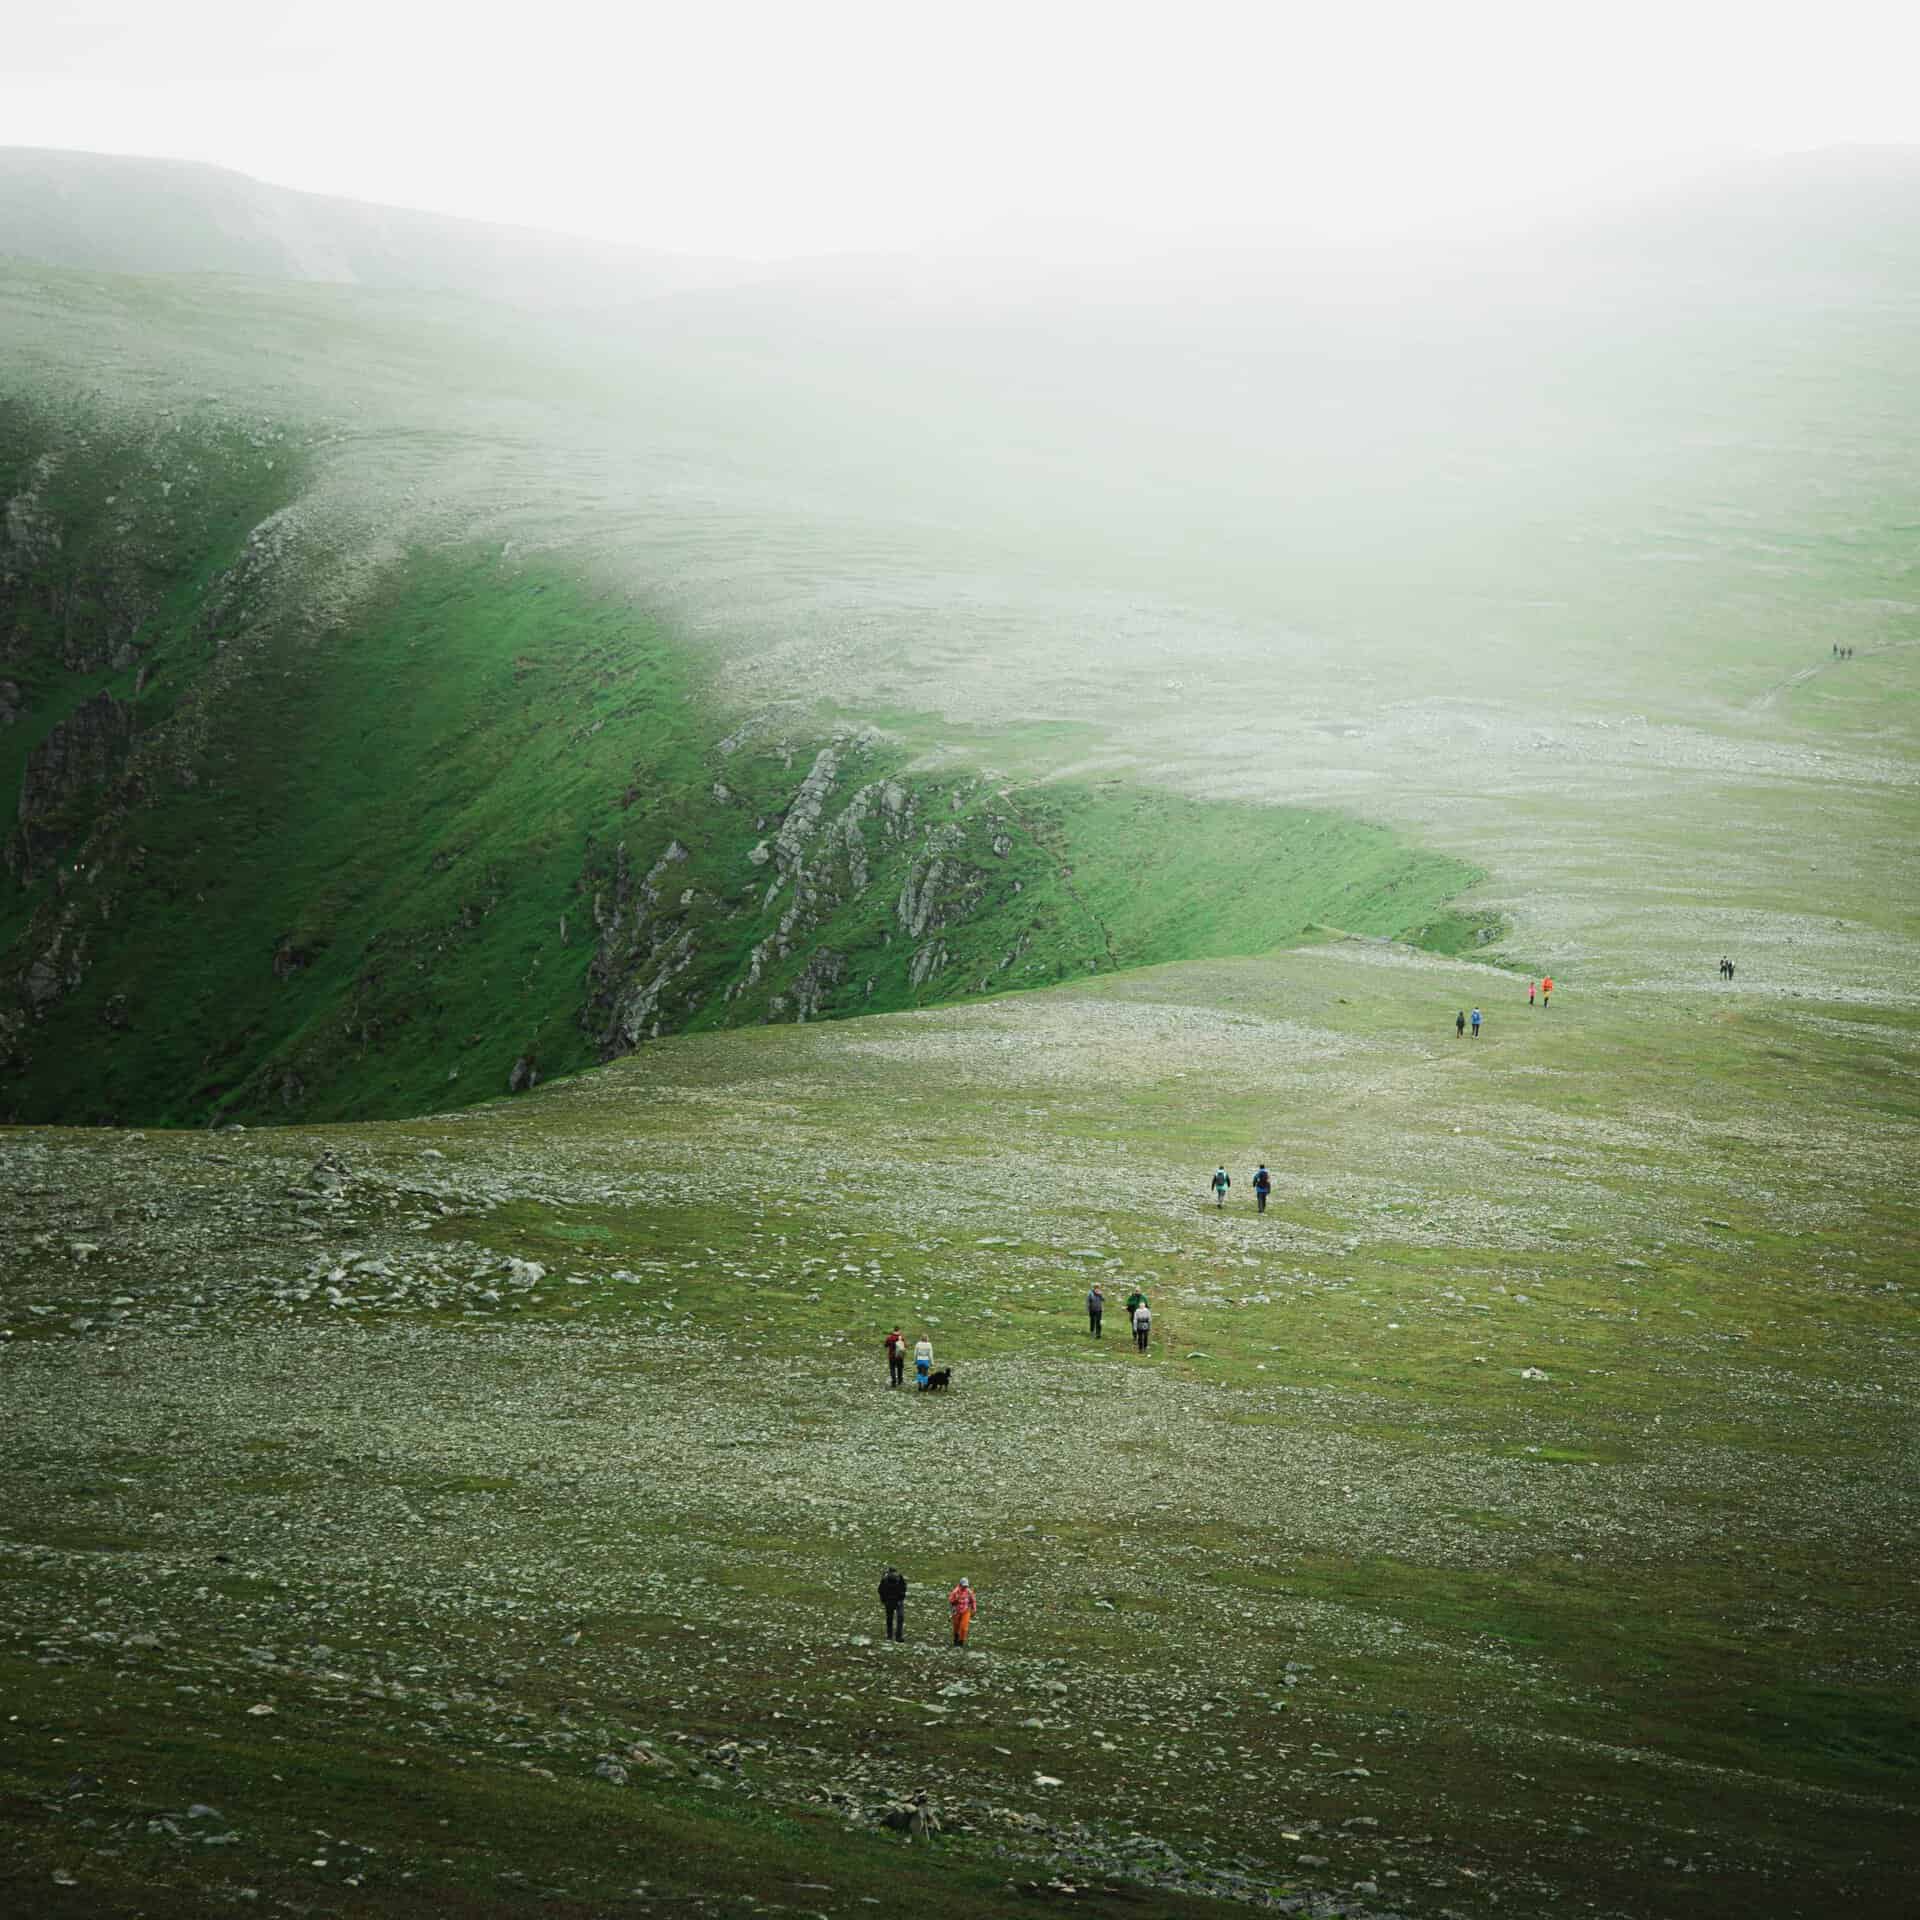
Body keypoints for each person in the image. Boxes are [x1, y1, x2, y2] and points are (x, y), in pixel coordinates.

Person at [879, 1565, 907, 1641]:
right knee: (892, 1618)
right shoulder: (885, 1580)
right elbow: (881, 1590)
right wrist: (884, 1600)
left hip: (897, 1601)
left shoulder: (899, 1578)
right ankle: (891, 1636)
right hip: (891, 1601)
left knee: (897, 1618)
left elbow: (903, 1588)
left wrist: (901, 1597)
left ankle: (896, 1636)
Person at [948, 1577, 977, 1647]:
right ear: (960, 1585)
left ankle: (961, 1642)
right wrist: (955, 1600)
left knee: (964, 1628)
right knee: (956, 1627)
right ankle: (956, 1639)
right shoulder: (955, 1592)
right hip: (956, 1611)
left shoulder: (969, 1592)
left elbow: (973, 1600)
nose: (965, 1587)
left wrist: (974, 1609)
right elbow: (950, 1601)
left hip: (966, 1611)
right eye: (963, 1586)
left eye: (966, 1586)